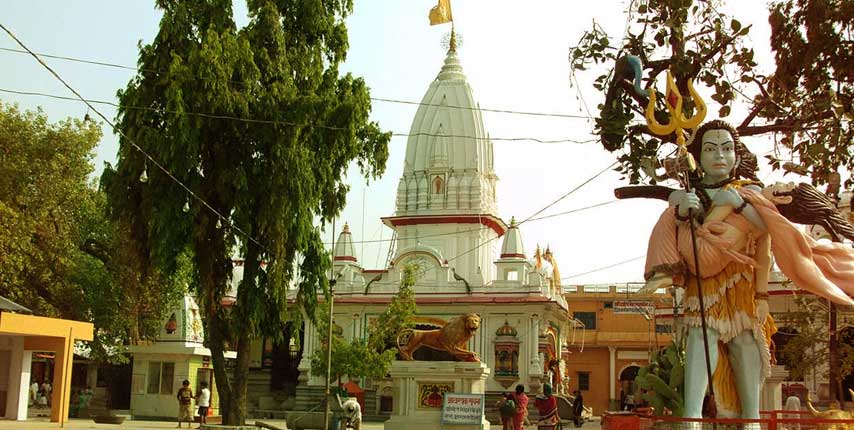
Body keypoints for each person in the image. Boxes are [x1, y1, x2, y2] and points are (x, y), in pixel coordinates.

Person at [639, 120, 854, 421]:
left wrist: (763, 295)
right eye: (711, 149)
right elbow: (676, 236)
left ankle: (751, 420)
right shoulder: (689, 195)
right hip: (703, 285)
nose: (720, 156)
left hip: (741, 284)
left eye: (727, 149)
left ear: (737, 157)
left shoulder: (749, 191)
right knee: (701, 338)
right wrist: (681, 209)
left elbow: (767, 235)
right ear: (698, 158)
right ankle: (692, 420)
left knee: (744, 344)